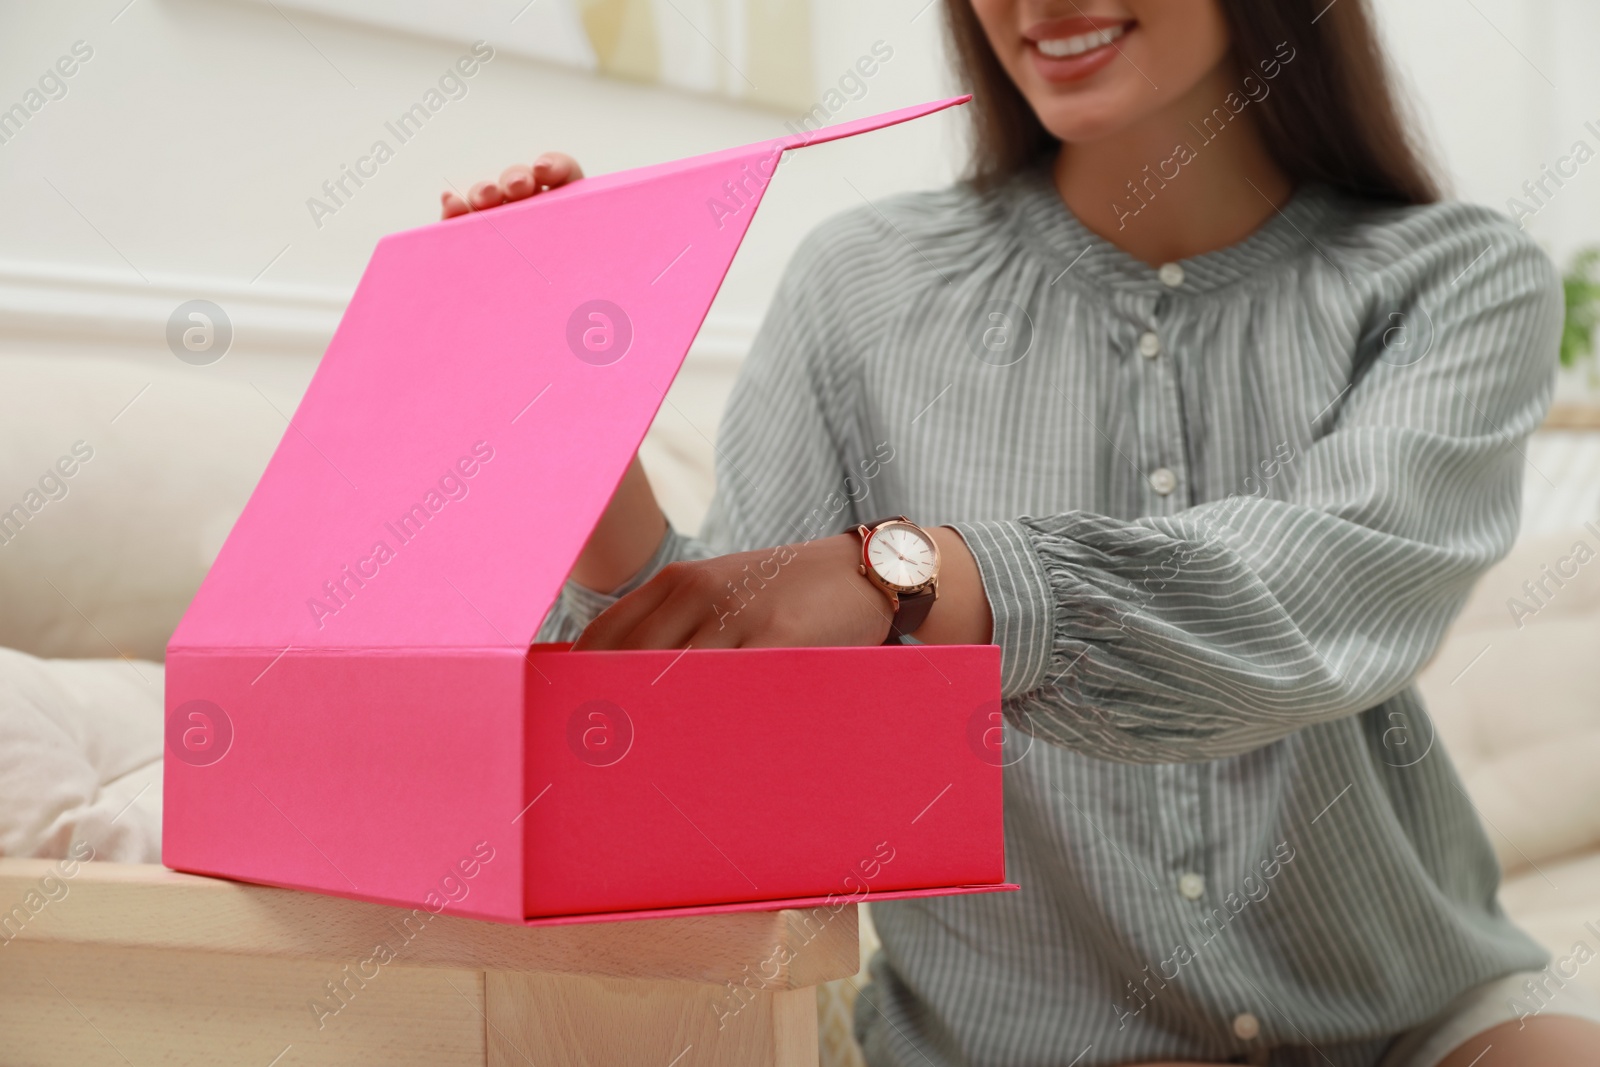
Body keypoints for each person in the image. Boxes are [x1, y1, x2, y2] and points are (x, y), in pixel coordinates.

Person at [442, 1, 1600, 1063]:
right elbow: (715, 730)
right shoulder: (859, 285)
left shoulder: (1456, 278)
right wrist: (574, 437)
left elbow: (1320, 593)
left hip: (1415, 1019)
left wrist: (912, 577)